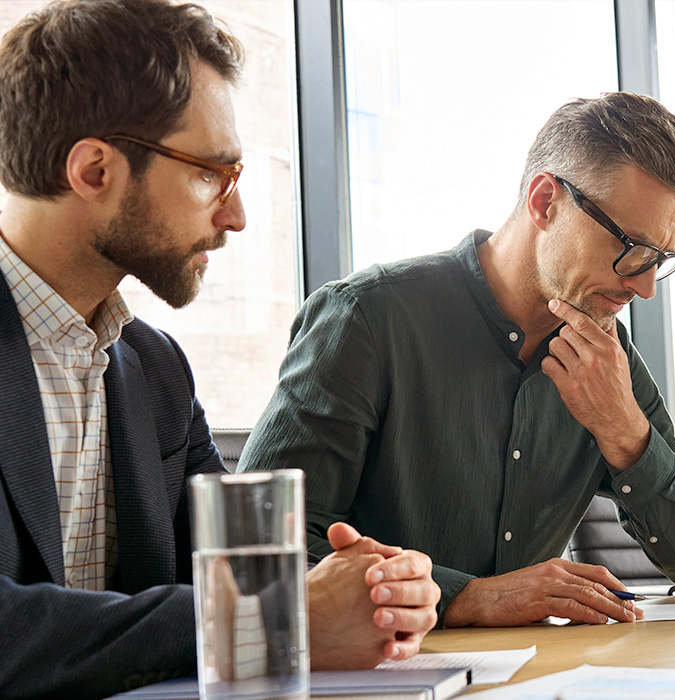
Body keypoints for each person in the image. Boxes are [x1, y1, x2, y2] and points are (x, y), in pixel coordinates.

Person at [0, 2, 437, 698]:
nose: (235, 216)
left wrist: (376, 591)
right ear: (93, 170)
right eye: (212, 173)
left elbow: (233, 572)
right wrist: (274, 618)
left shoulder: (157, 370)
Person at [241, 92, 675, 626]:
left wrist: (624, 431)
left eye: (660, 260)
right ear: (546, 201)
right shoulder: (368, 319)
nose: (644, 289)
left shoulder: (606, 355)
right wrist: (468, 596)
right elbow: (258, 544)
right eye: (632, 249)